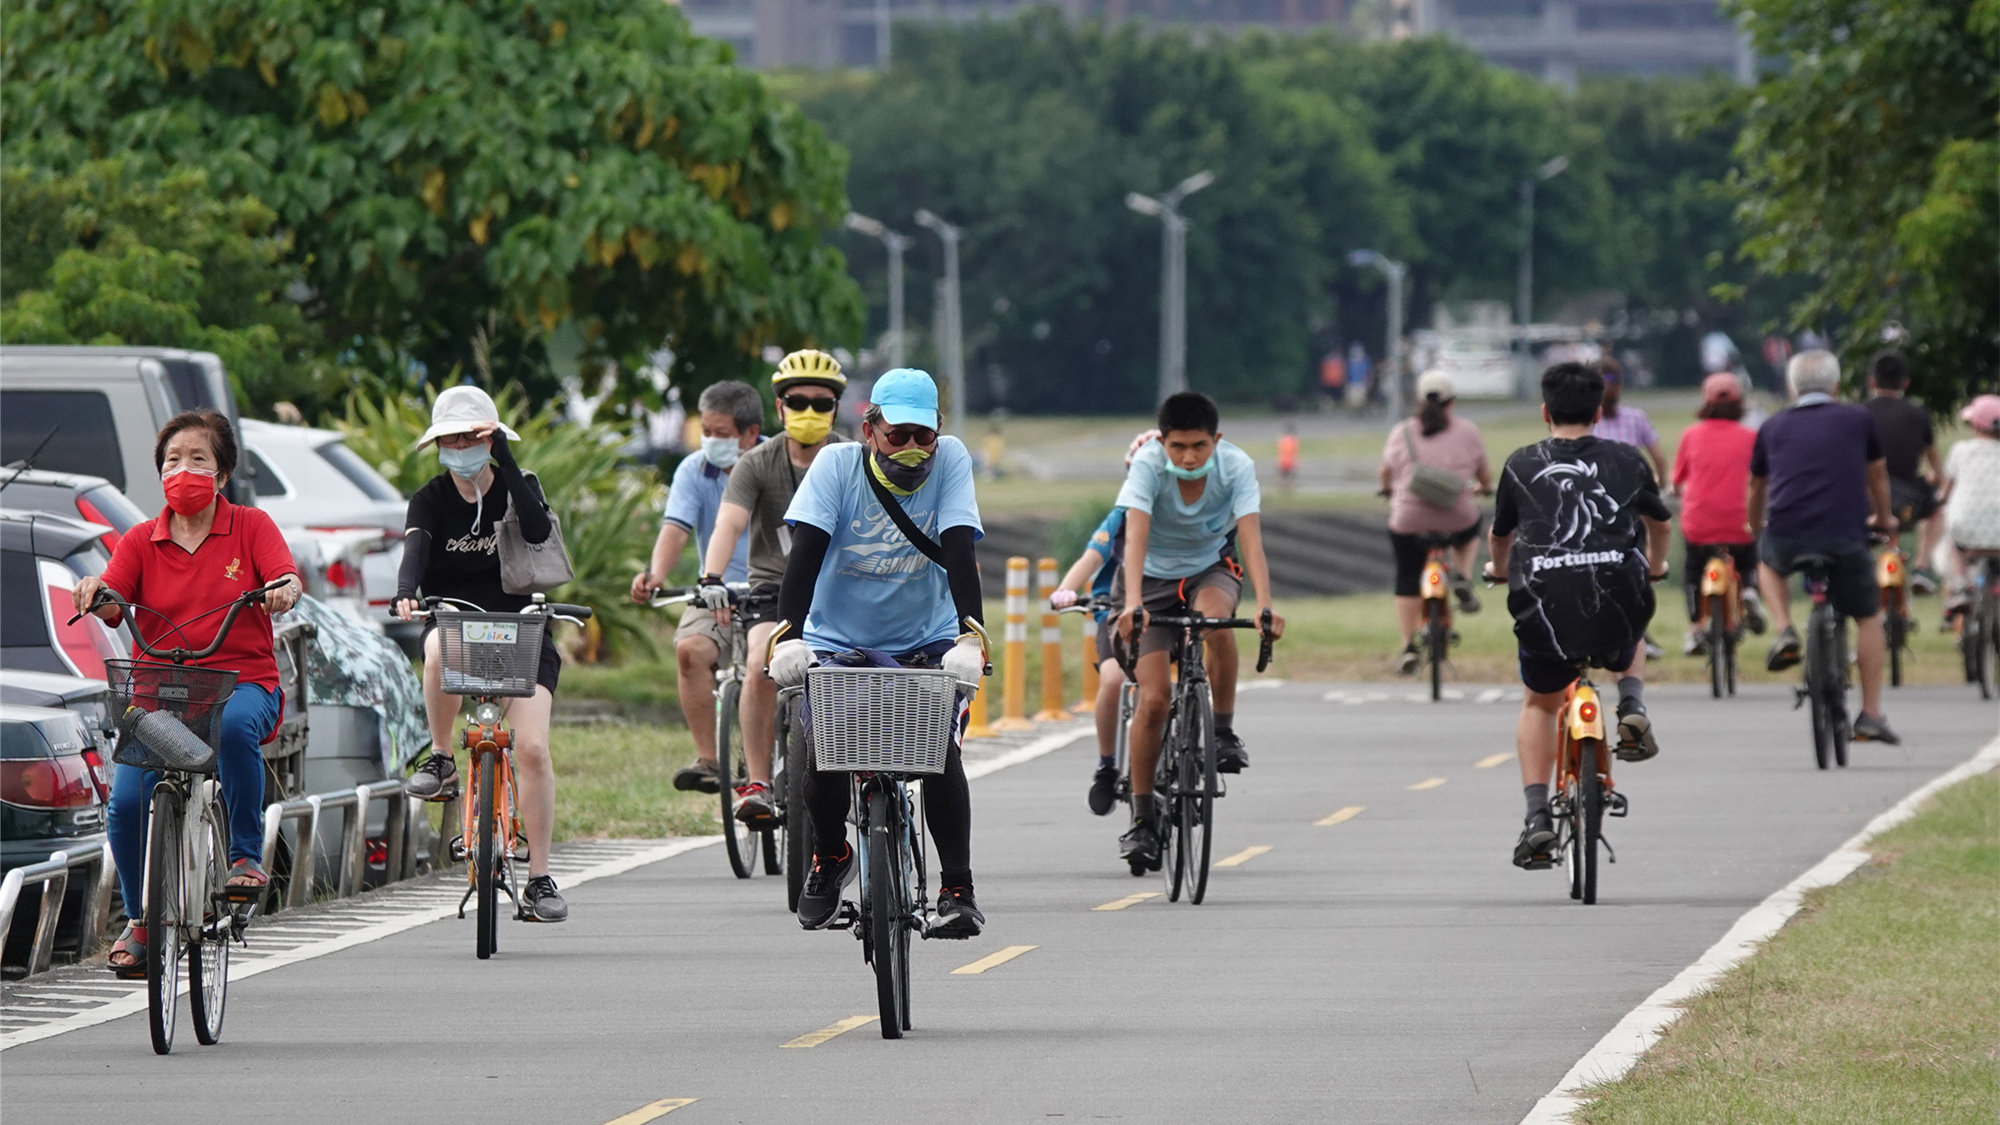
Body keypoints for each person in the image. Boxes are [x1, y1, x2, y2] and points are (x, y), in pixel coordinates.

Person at [73, 410, 304, 975]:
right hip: (159, 691)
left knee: (232, 729)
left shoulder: (251, 526)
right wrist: (95, 592)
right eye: (173, 460)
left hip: (240, 682)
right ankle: (140, 919)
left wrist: (282, 590)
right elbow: (113, 601)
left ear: (221, 473)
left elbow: (286, 578)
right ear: (161, 475)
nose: (184, 470)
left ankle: (246, 856)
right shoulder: (139, 540)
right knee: (126, 802)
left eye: (198, 459)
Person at [768, 368, 989, 938]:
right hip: (838, 640)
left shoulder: (953, 461)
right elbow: (806, 557)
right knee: (822, 752)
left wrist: (971, 636)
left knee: (938, 753)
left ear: (939, 433)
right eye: (898, 436)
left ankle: (957, 889)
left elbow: (960, 547)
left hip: (928, 637)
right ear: (869, 430)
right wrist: (790, 635)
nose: (913, 450)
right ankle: (830, 854)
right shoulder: (836, 468)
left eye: (924, 437)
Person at [1485, 363, 1672, 870]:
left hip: (1545, 609)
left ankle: (1537, 817)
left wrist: (1499, 572)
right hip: (1616, 598)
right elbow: (1660, 522)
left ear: (1545, 411)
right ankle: (1630, 702)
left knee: (1540, 705)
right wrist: (1654, 568)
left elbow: (1500, 537)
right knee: (1631, 617)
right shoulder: (1628, 458)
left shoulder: (1521, 463)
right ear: (1598, 411)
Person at [395, 386, 572, 921]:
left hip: (523, 631)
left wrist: (508, 461)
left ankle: (540, 878)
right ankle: (444, 758)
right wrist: (407, 590)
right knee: (433, 651)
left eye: (474, 436)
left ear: (492, 439)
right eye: (453, 437)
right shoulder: (428, 499)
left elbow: (539, 532)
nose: (462, 445)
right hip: (459, 628)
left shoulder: (520, 490)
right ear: (438, 444)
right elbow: (415, 550)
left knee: (534, 750)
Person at [1112, 392, 1285, 870]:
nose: (1189, 457)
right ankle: (1144, 818)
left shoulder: (1236, 467)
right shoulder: (1147, 466)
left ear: (1217, 441)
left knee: (1215, 624)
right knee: (1152, 700)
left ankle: (1224, 730)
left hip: (1210, 568)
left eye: (1200, 446)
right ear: (1162, 442)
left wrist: (1266, 605)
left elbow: (1250, 537)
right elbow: (1136, 535)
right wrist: (1131, 603)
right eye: (1178, 446)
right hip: (1149, 577)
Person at [697, 350, 851, 824]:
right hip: (774, 591)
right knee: (763, 655)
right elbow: (729, 522)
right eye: (797, 401)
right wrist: (711, 578)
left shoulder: (853, 460)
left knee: (852, 672)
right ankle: (759, 782)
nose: (809, 412)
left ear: (836, 409)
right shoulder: (757, 463)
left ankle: (858, 772)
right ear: (779, 408)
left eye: (821, 404)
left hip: (839, 590)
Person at [1746, 350, 1899, 745]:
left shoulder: (1773, 425)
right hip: (1845, 533)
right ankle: (1870, 712)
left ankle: (1784, 628)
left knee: (1769, 562)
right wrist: (1883, 518)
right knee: (1867, 617)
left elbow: (1757, 486)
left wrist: (1753, 525)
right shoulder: (1857, 419)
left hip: (1787, 531)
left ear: (1792, 387)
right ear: (1835, 386)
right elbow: (1877, 473)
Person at [627, 380, 761, 796]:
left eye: (721, 434)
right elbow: (676, 529)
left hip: (772, 588)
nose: (710, 441)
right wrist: (656, 575)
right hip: (715, 588)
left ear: (750, 433)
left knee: (777, 668)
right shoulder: (693, 470)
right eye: (705, 431)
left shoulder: (777, 464)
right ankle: (710, 759)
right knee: (690, 651)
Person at [1378, 369, 1493, 675]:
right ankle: (1463, 577)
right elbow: (1484, 477)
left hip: (1409, 519)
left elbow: (1386, 474)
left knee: (1406, 575)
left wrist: (1390, 491)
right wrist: (1482, 488)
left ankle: (1407, 646)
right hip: (1457, 515)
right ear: (1452, 402)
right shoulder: (1469, 432)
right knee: (1471, 529)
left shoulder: (1402, 432)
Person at [1669, 372, 1766, 654]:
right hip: (1740, 523)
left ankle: (1696, 624)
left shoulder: (1691, 435)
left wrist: (1677, 494)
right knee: (1748, 560)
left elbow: (1677, 482)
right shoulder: (1751, 437)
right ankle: (1749, 589)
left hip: (1699, 525)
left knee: (1692, 569)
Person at [1862, 350, 1945, 594]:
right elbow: (1936, 468)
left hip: (1866, 501)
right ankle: (1921, 565)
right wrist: (1934, 479)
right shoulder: (1919, 414)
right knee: (1938, 510)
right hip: (1908, 501)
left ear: (1871, 382)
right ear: (1905, 383)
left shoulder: (1858, 414)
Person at [1938, 395, 2000, 622]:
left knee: (1955, 545)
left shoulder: (1961, 450)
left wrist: (1940, 499)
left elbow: (1945, 491)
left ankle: (1962, 586)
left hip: (1968, 530)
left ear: (1975, 424)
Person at [1591, 359, 1668, 485]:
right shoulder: (1636, 418)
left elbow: (1659, 459)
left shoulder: (1584, 422)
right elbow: (1659, 459)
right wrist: (1661, 486)